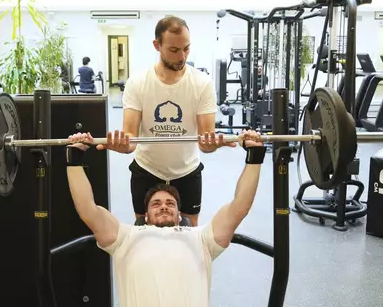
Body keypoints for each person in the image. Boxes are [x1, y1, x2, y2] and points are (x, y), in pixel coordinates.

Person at [65, 130, 266, 307]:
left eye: (170, 204)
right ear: (145, 216)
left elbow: (239, 206)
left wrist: (254, 156)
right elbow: (88, 209)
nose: (163, 206)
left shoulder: (202, 239)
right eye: (156, 204)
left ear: (180, 215)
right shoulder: (125, 238)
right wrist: (74, 159)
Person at [95, 16, 233, 227]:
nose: (182, 56)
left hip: (187, 171)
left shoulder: (202, 83)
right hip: (147, 169)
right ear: (157, 45)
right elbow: (131, 138)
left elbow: (205, 141)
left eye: (186, 49)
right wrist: (121, 145)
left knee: (189, 234)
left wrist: (211, 145)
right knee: (144, 234)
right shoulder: (138, 83)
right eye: (174, 50)